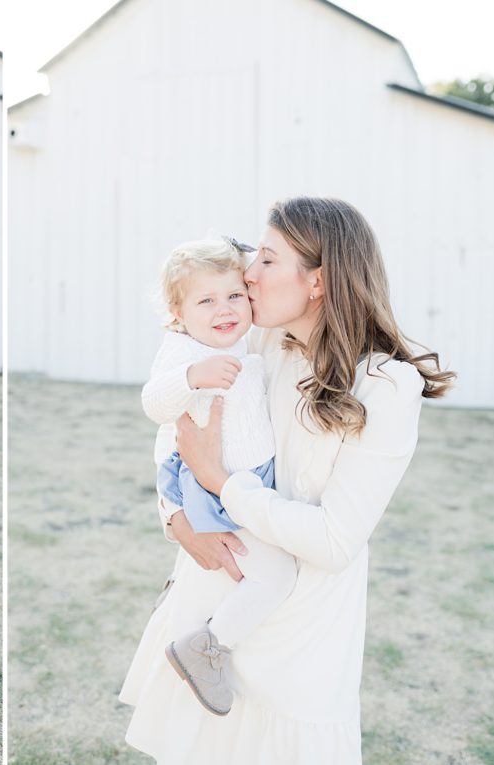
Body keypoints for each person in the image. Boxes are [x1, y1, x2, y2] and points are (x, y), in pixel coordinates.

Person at [120, 197, 454, 764]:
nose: (248, 274)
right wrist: (175, 517)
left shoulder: (385, 385)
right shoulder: (259, 338)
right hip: (217, 588)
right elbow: (183, 421)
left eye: (268, 260)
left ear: (318, 280)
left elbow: (334, 541)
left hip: (300, 629)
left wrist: (223, 485)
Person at [142, 237, 296, 717]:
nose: (224, 309)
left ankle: (205, 637)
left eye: (233, 296)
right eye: (205, 301)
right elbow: (154, 405)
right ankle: (206, 646)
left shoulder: (248, 340)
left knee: (262, 574)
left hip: (243, 483)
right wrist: (192, 376)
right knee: (274, 575)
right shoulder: (184, 350)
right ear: (177, 312)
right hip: (212, 487)